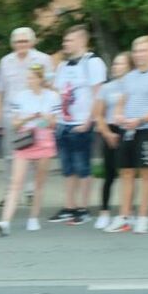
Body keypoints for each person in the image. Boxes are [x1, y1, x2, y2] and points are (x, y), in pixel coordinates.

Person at [108, 36, 148, 234]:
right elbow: (122, 100)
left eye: (143, 50)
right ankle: (124, 216)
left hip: (146, 129)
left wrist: (142, 120)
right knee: (126, 173)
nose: (139, 55)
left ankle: (143, 217)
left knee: (145, 174)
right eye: (136, 51)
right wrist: (118, 115)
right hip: (127, 129)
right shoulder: (129, 77)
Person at [49, 26, 107, 225]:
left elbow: (98, 94)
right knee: (68, 168)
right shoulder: (63, 66)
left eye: (70, 40)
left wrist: (89, 121)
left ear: (82, 41)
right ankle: (69, 206)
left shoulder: (93, 63)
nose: (66, 44)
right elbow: (58, 93)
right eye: (65, 40)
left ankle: (83, 208)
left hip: (81, 123)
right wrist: (56, 119)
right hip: (63, 123)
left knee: (83, 167)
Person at [0, 63, 59, 236]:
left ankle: (33, 217)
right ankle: (5, 221)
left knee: (39, 182)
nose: (28, 80)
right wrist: (27, 118)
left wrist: (45, 118)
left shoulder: (52, 96)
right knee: (16, 183)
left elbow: (54, 123)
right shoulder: (20, 96)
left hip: (44, 140)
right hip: (25, 140)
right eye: (27, 77)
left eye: (31, 77)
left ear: (39, 78)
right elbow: (14, 124)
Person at [0, 27, 54, 159]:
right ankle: (13, 180)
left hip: (37, 117)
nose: (21, 44)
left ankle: (33, 180)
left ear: (32, 42)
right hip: (11, 117)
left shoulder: (44, 60)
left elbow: (50, 88)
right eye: (18, 42)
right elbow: (0, 91)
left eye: (24, 41)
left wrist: (48, 117)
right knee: (10, 156)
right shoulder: (5, 62)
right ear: (12, 44)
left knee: (37, 155)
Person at [92, 52, 131, 231]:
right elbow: (98, 114)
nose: (116, 67)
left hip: (129, 130)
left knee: (128, 174)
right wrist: (107, 133)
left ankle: (126, 213)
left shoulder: (134, 86)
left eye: (120, 64)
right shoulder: (107, 88)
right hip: (110, 130)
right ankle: (104, 212)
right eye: (114, 64)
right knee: (109, 175)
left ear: (129, 66)